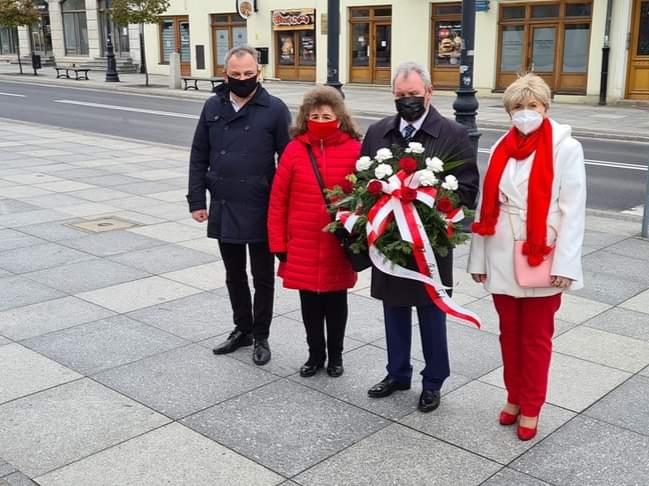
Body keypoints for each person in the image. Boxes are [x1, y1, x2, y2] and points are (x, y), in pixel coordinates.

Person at [468, 73, 586, 441]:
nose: (525, 112)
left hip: (542, 252)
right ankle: (514, 396)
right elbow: (486, 206)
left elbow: (573, 211)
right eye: (517, 106)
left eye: (532, 105)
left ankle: (532, 405)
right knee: (509, 334)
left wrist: (566, 264)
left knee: (536, 338)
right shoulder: (501, 146)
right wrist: (478, 260)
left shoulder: (566, 148)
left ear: (545, 107)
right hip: (502, 251)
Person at [361, 61, 479, 412]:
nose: (407, 100)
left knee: (432, 310)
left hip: (431, 242)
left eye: (413, 93)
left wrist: (430, 206)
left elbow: (468, 189)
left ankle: (433, 381)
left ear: (429, 92)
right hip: (390, 242)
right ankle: (397, 373)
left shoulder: (452, 133)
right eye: (400, 95)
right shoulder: (378, 132)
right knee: (393, 309)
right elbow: (363, 183)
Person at [187, 45, 291, 366]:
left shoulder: (275, 108)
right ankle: (242, 329)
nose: (243, 79)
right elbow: (198, 155)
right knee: (234, 274)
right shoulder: (212, 106)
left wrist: (285, 207)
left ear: (258, 73)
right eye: (236, 74)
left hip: (261, 205)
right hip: (224, 202)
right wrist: (196, 200)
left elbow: (288, 162)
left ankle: (261, 335)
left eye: (248, 74)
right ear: (225, 75)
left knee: (262, 276)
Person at [267, 86, 362, 378]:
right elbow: (278, 200)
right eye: (315, 116)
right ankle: (315, 355)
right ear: (305, 118)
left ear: (339, 117)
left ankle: (336, 356)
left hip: (337, 243)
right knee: (309, 305)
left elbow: (363, 197)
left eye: (326, 116)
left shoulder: (354, 149)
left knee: (336, 304)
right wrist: (278, 243)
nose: (320, 121)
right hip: (303, 242)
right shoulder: (295, 150)